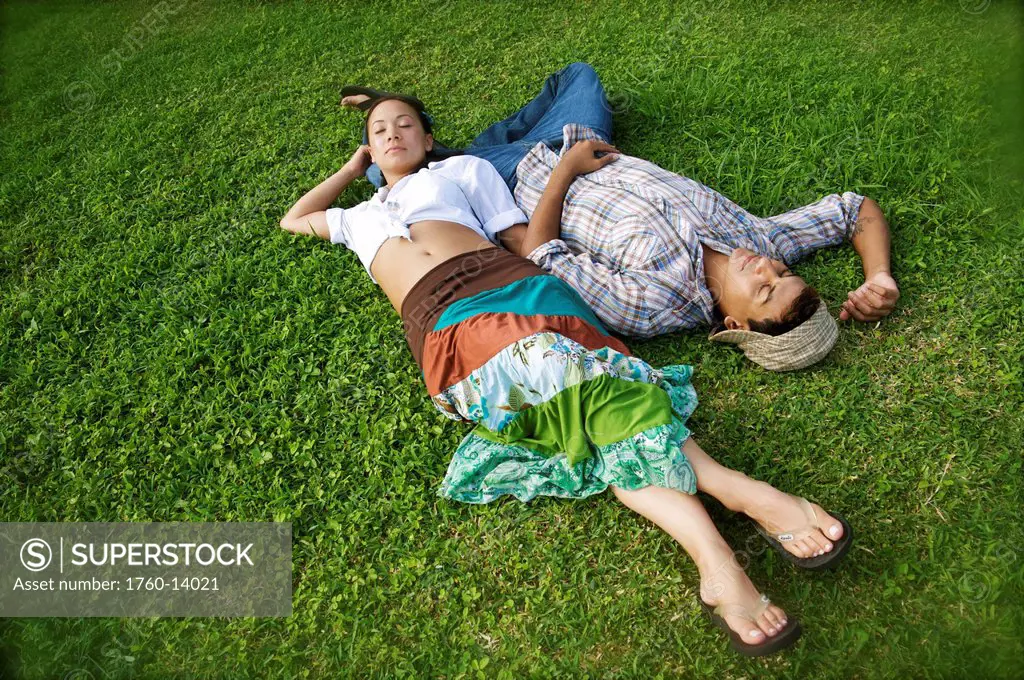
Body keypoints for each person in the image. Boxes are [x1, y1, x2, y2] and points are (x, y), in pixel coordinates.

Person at [279, 93, 854, 656]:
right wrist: (354, 168)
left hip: (516, 288)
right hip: (443, 326)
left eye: (405, 125)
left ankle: (716, 560)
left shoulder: (460, 171)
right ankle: (735, 490)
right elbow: (294, 219)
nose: (392, 135)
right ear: (369, 153)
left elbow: (522, 244)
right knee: (588, 397)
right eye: (379, 132)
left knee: (577, 400)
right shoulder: (353, 217)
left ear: (428, 140)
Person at [340, 63, 900, 371]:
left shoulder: (654, 304)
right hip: (579, 143)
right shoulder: (759, 240)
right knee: (578, 77)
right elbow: (855, 211)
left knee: (391, 175)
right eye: (782, 273)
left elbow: (539, 253)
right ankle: (455, 145)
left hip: (516, 185)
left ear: (733, 326)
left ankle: (430, 144)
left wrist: (564, 174)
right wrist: (878, 277)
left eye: (763, 290)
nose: (766, 269)